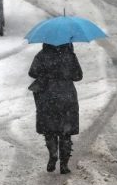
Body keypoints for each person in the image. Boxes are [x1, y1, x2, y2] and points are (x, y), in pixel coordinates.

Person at [28, 43, 83, 174]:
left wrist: (47, 74)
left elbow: (32, 72)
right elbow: (78, 76)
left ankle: (53, 154)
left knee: (50, 129)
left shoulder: (42, 55)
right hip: (67, 97)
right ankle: (64, 165)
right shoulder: (70, 56)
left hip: (48, 96)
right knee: (66, 132)